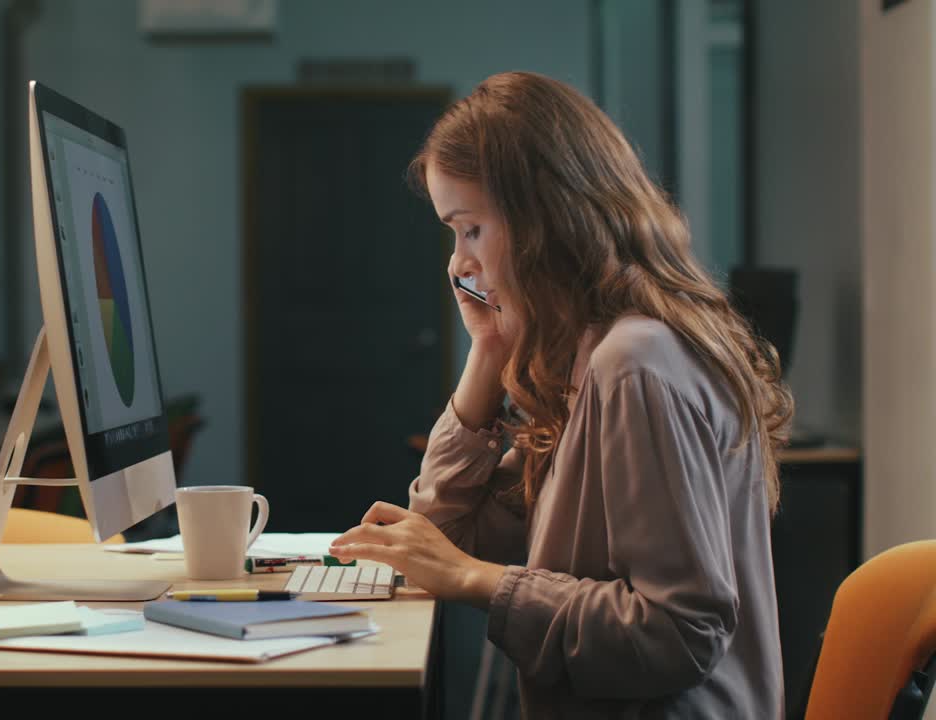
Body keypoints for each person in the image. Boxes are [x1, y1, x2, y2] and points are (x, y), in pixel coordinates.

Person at [329, 72, 793, 718]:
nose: (457, 265)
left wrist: (475, 581)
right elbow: (445, 534)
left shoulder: (634, 363)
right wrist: (487, 351)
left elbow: (677, 633)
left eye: (470, 230)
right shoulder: (585, 359)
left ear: (542, 220)